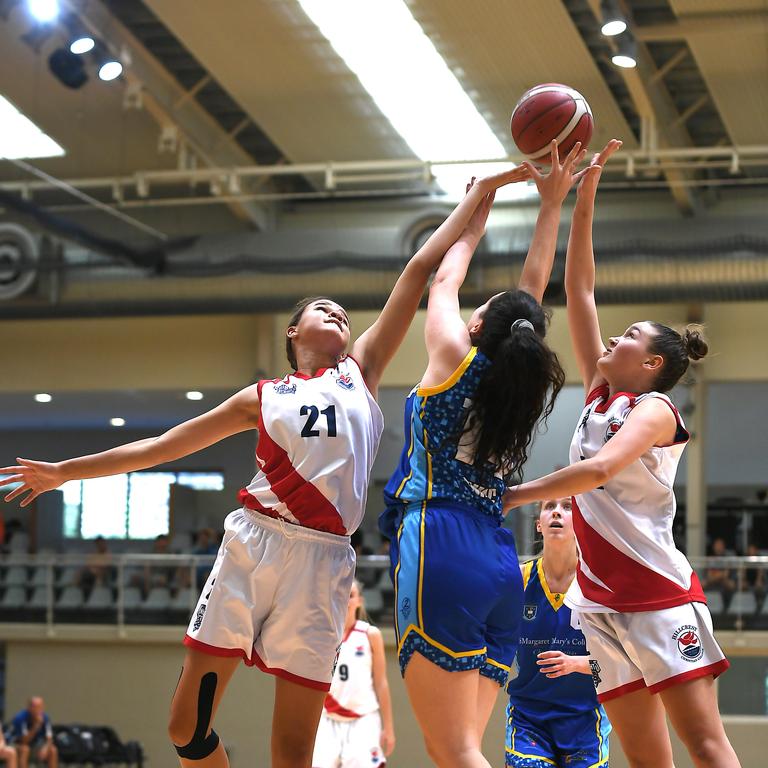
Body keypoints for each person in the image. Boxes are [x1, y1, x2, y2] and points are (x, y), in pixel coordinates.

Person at [0, 163, 531, 768]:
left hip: (326, 561)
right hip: (255, 542)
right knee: (183, 727)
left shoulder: (361, 371)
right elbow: (159, 448)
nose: (338, 316)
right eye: (323, 310)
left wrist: (478, 204)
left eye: (343, 315)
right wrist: (65, 473)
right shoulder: (261, 397)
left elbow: (418, 272)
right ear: (292, 331)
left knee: (291, 750)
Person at [504, 139, 742, 768]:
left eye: (630, 336)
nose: (614, 337)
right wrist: (584, 197)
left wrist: (518, 494)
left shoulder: (656, 412)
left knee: (707, 744)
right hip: (600, 600)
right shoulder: (603, 396)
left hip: (657, 593)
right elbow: (579, 292)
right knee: (643, 757)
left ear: (655, 364)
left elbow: (605, 469)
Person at [380, 141, 587, 768]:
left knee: (453, 752)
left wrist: (479, 204)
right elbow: (530, 293)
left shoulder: (452, 356)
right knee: (465, 750)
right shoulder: (519, 391)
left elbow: (443, 275)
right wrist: (552, 205)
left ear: (477, 330)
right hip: (500, 561)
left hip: (441, 543)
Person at [505, 498, 610, 768]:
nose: (556, 512)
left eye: (567, 506)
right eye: (549, 506)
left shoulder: (598, 585)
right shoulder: (518, 579)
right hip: (529, 717)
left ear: (582, 523)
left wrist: (575, 663)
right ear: (539, 524)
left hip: (585, 719)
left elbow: (623, 664)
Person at [312, 580, 395, 768]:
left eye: (351, 595)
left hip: (363, 717)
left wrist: (388, 727)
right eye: (342, 594)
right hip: (327, 716)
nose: (346, 600)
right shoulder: (323, 634)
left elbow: (381, 683)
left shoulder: (370, 634)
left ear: (359, 601)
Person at [9, 697, 57, 768]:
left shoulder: (45, 718)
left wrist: (46, 748)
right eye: (35, 707)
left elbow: (49, 737)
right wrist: (36, 725)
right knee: (25, 750)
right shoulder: (20, 718)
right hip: (16, 744)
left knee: (52, 750)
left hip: (35, 745)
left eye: (39, 707)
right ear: (29, 708)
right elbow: (24, 741)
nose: (37, 710)